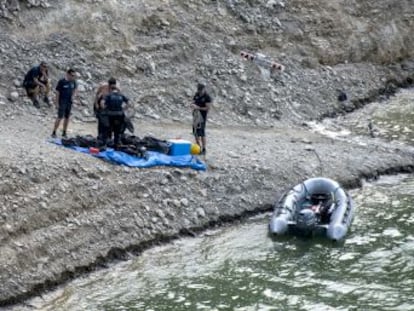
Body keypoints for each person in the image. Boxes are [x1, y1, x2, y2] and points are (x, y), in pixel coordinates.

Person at [101, 78, 129, 148]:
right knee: (117, 131)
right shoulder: (121, 95)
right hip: (119, 115)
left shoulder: (108, 95)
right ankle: (116, 145)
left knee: (108, 129)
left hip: (110, 114)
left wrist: (104, 108)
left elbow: (102, 102)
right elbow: (128, 103)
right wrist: (123, 109)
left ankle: (107, 144)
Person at [51, 69, 78, 138]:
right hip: (62, 101)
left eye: (74, 76)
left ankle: (64, 132)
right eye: (72, 75)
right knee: (60, 117)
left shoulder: (73, 82)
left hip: (69, 102)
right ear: (68, 74)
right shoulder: (62, 81)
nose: (73, 77)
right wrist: (56, 103)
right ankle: (54, 132)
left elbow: (75, 89)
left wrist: (73, 96)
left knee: (67, 117)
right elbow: (57, 92)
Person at [94, 78, 119, 144]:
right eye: (110, 86)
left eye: (113, 86)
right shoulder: (103, 87)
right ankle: (100, 136)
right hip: (100, 104)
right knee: (101, 121)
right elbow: (97, 95)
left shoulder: (116, 89)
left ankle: (109, 137)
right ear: (108, 84)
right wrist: (96, 103)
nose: (112, 88)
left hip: (109, 105)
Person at [192, 83, 212, 155]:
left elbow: (207, 108)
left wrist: (199, 108)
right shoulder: (197, 94)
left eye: (201, 90)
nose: (200, 91)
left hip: (202, 117)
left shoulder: (207, 97)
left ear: (204, 89)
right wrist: (193, 105)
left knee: (202, 133)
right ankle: (198, 147)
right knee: (195, 132)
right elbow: (193, 101)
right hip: (195, 115)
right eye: (199, 90)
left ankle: (204, 149)